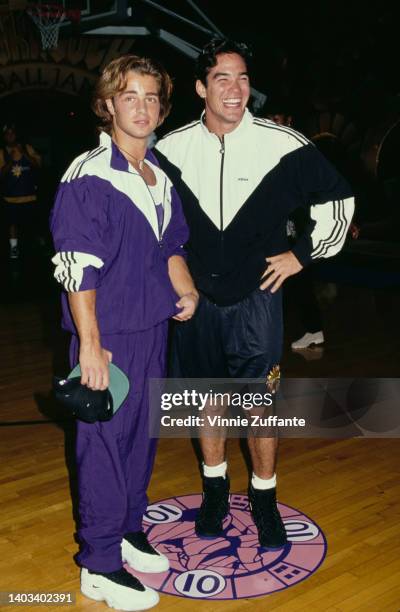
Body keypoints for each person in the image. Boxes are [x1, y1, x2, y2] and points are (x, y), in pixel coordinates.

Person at [154, 39, 354, 549]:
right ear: (201, 87)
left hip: (257, 301)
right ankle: (216, 491)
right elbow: (149, 218)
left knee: (260, 407)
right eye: (222, 78)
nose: (235, 89)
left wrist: (302, 255)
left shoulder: (283, 143)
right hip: (196, 302)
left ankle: (264, 499)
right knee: (208, 403)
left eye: (242, 78)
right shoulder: (169, 147)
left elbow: (340, 200)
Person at [50, 55, 198, 611]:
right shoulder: (89, 176)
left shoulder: (157, 173)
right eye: (130, 96)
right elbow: (75, 267)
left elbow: (172, 245)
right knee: (104, 446)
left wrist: (183, 287)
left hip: (152, 325)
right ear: (109, 103)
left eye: (152, 97)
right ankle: (100, 562)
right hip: (107, 333)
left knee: (140, 440)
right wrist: (89, 343)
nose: (143, 107)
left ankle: (129, 529)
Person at [0, 124, 41, 259]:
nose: (10, 135)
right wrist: (11, 159)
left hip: (29, 196)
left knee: (31, 225)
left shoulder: (27, 148)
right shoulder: (2, 152)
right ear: (4, 136)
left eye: (12, 133)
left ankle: (33, 250)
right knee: (12, 225)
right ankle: (14, 249)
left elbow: (37, 165)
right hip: (10, 198)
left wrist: (23, 153)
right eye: (7, 133)